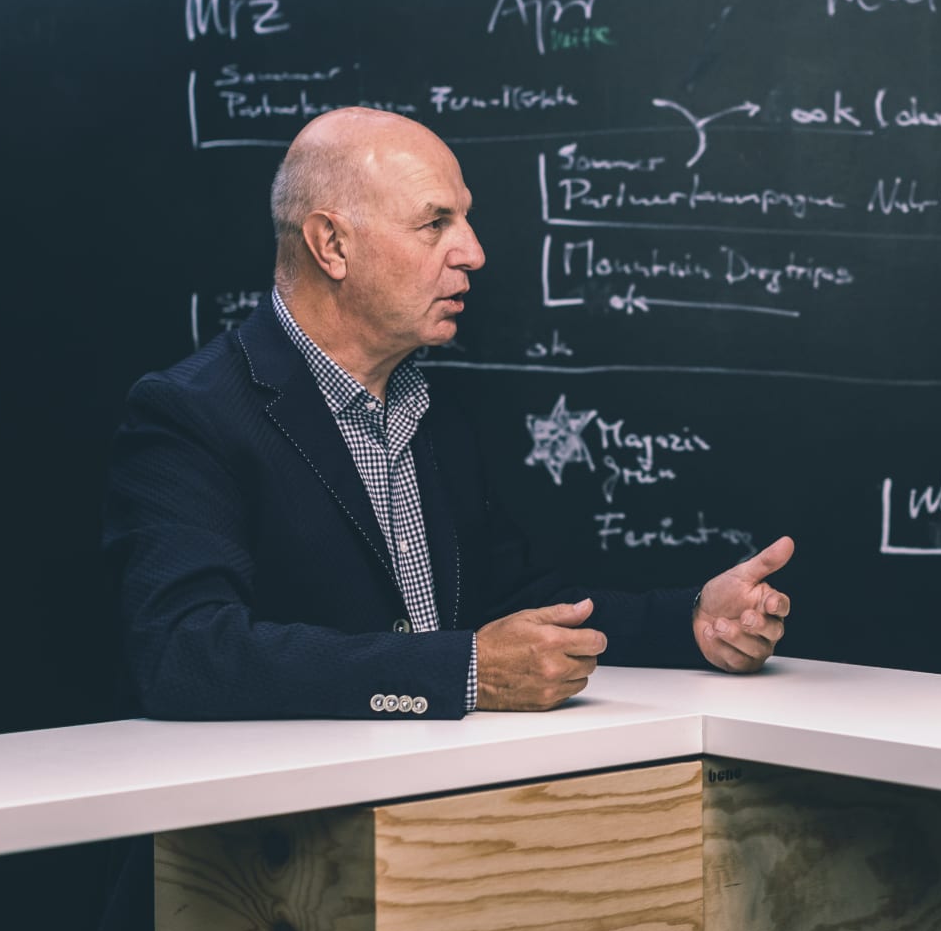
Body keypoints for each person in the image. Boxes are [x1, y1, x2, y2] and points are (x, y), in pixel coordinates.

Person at [105, 107, 794, 722]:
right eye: (436, 223)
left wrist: (692, 624)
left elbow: (512, 608)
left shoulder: (433, 413)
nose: (473, 252)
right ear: (332, 246)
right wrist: (461, 674)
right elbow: (182, 653)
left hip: (440, 813)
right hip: (276, 842)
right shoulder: (193, 414)